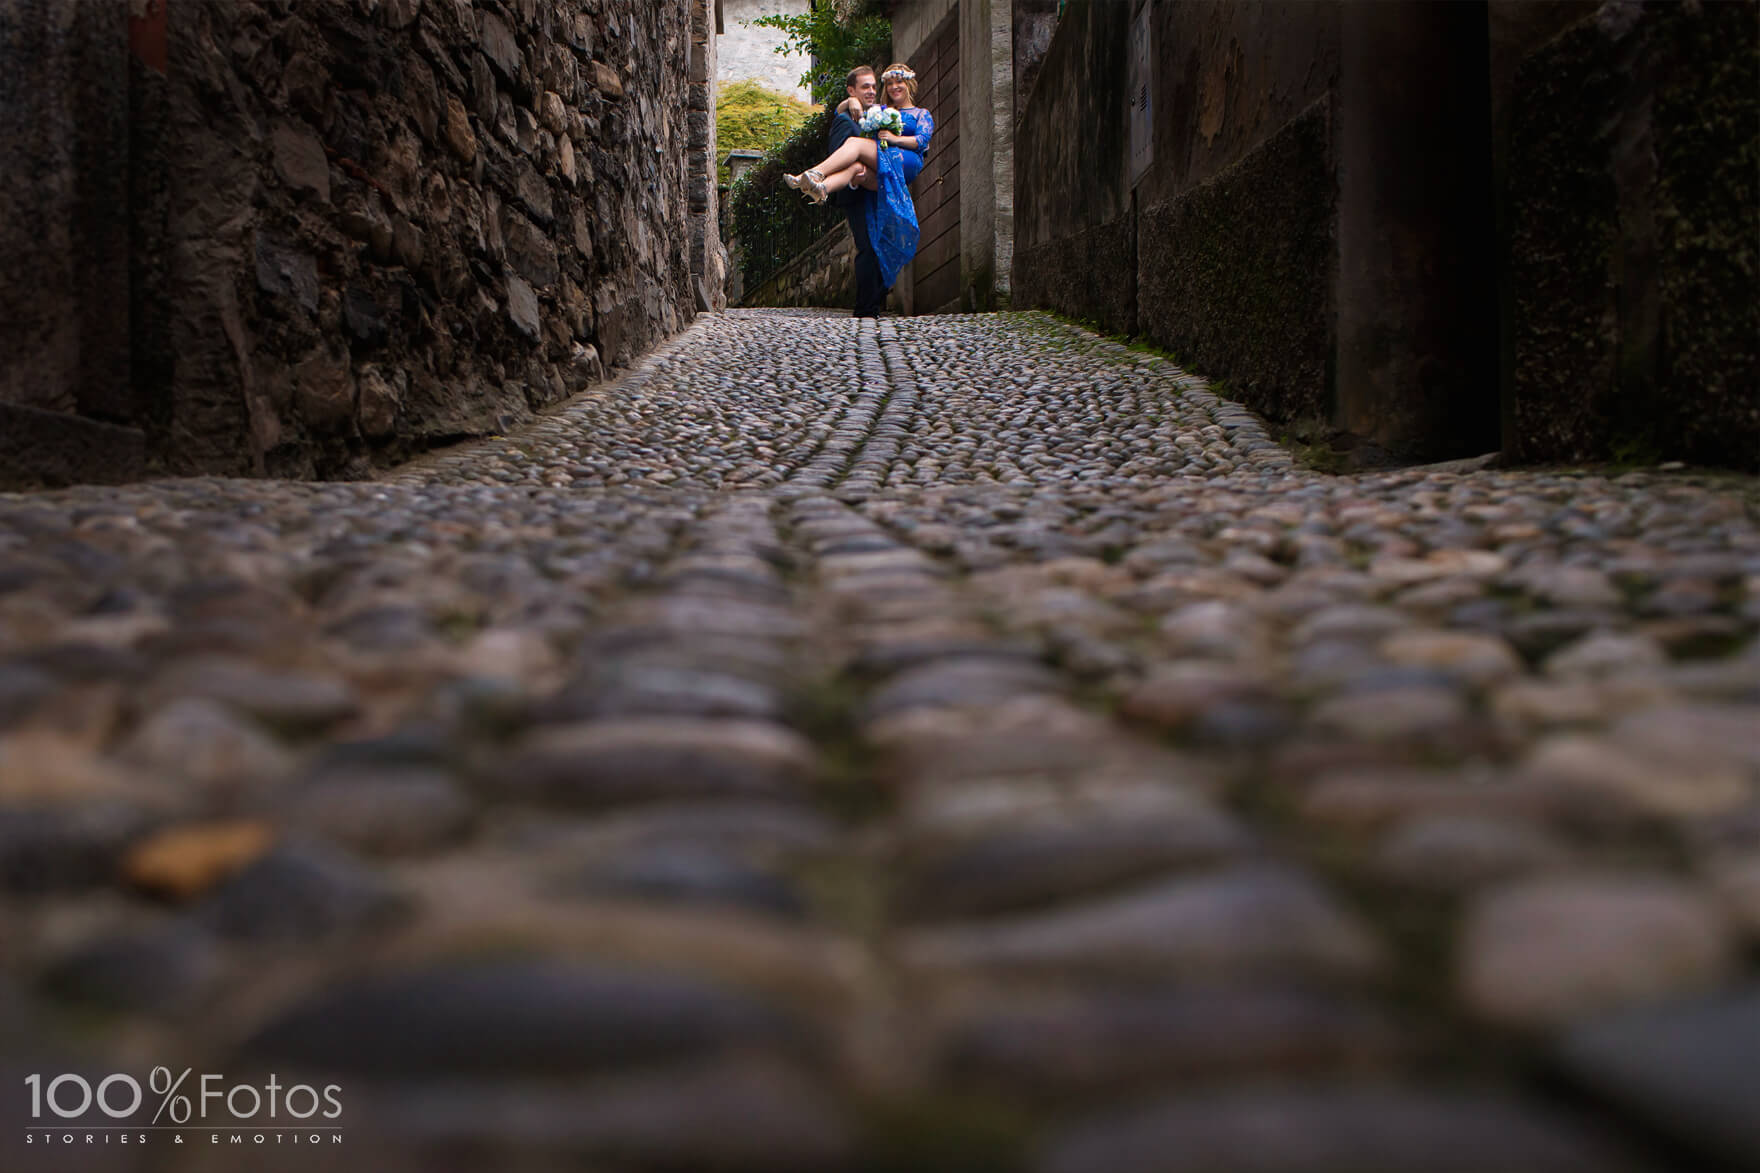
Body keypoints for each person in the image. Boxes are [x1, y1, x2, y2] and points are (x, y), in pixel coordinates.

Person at [786, 63, 934, 291]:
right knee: (856, 168)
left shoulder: (921, 114)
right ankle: (821, 188)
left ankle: (816, 172)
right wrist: (851, 102)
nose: (894, 87)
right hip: (882, 163)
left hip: (906, 160)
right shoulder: (881, 110)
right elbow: (839, 111)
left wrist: (894, 139)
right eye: (890, 83)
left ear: (909, 84)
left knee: (854, 144)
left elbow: (921, 142)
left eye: (899, 83)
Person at [825, 66, 886, 318]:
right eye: (865, 87)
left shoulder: (881, 115)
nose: (871, 91)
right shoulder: (844, 120)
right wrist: (854, 178)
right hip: (857, 192)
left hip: (880, 190)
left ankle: (876, 304)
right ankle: (865, 310)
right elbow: (837, 153)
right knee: (868, 247)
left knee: (881, 246)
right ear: (852, 91)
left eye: (873, 86)